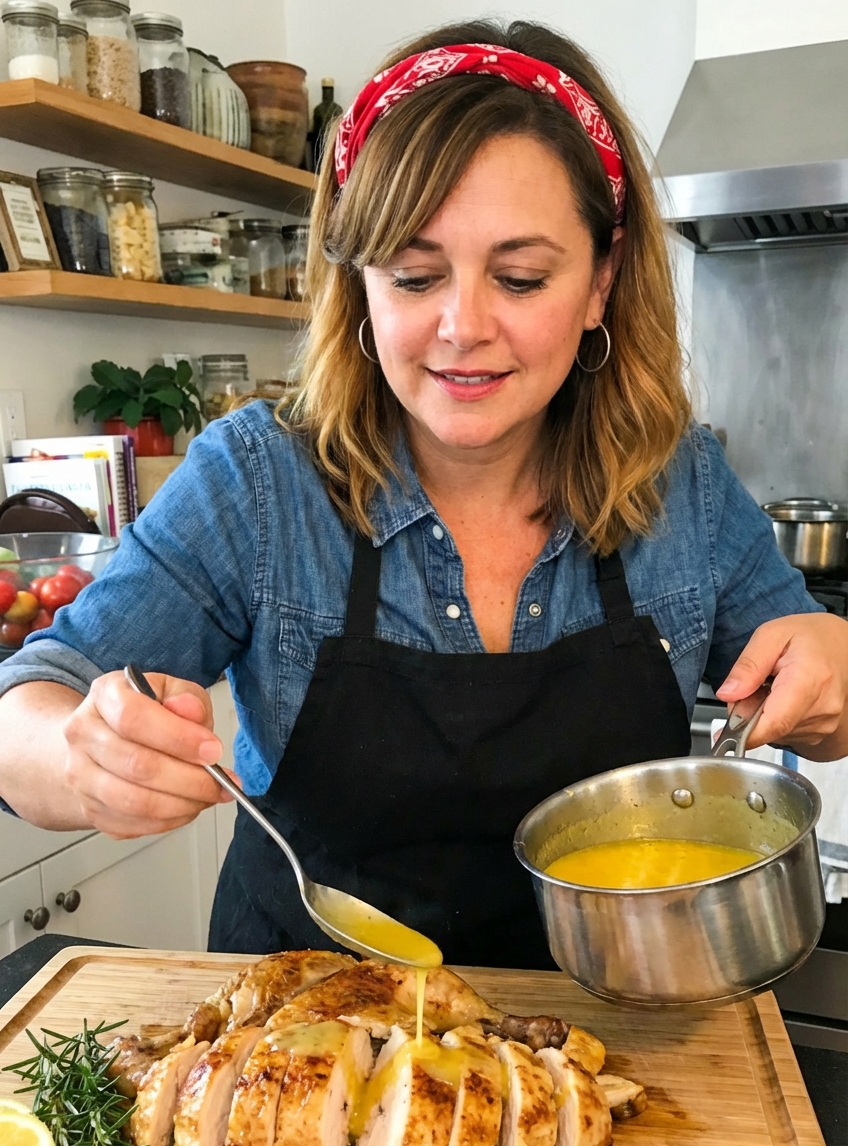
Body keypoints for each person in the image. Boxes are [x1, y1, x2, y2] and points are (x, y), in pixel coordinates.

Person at [0, 21, 845, 969]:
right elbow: (28, 702)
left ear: (603, 280)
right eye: (414, 274)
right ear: (360, 285)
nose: (463, 326)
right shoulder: (257, 482)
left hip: (615, 1033)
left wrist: (833, 662)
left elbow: (819, 682)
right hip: (305, 1046)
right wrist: (78, 756)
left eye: (521, 277)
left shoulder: (681, 482)